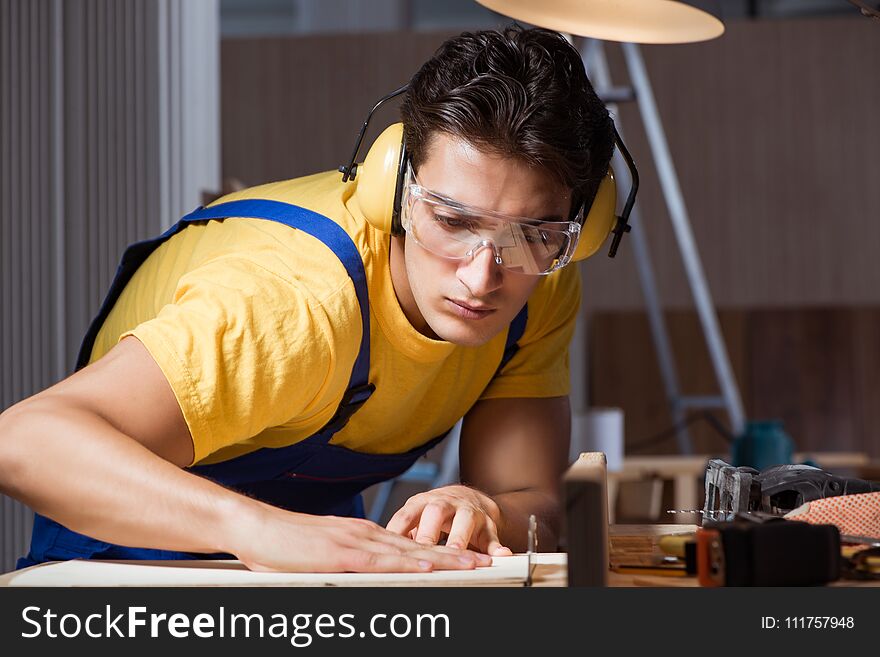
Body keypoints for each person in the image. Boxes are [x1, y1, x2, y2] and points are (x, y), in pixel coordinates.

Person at [0, 26, 617, 573]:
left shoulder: (542, 280)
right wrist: (259, 530)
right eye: (452, 220)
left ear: (578, 232)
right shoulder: (292, 304)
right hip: (120, 551)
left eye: (532, 234)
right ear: (392, 190)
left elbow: (533, 500)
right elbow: (24, 440)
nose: (482, 277)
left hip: (311, 546)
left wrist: (481, 506)